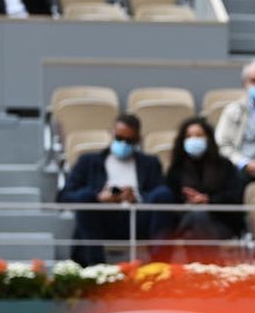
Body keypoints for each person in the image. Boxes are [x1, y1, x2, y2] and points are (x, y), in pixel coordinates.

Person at [58, 113, 174, 265]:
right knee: (84, 195)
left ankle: (160, 264)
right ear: (111, 134)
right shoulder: (88, 161)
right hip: (101, 219)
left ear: (138, 139)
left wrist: (137, 196)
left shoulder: (150, 163)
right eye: (119, 138)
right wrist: (99, 198)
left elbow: (159, 194)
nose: (123, 144)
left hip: (138, 217)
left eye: (129, 140)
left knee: (164, 194)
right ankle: (95, 266)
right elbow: (63, 196)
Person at [160, 117, 247, 261]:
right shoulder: (176, 169)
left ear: (208, 138)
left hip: (220, 222)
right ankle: (213, 265)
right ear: (182, 140)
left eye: (199, 135)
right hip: (185, 218)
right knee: (197, 214)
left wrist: (208, 200)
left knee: (191, 234)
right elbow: (171, 201)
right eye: (189, 136)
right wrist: (189, 203)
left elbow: (234, 196)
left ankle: (198, 272)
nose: (194, 140)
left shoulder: (224, 166)